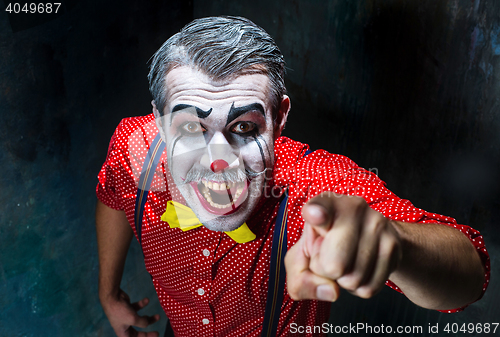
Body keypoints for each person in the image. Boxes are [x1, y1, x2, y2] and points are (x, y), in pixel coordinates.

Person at [95, 16, 490, 337]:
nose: (219, 161)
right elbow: (112, 197)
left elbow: (471, 273)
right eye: (192, 129)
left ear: (279, 118)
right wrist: (108, 293)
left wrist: (397, 241)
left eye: (244, 128)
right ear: (160, 123)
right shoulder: (135, 146)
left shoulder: (316, 186)